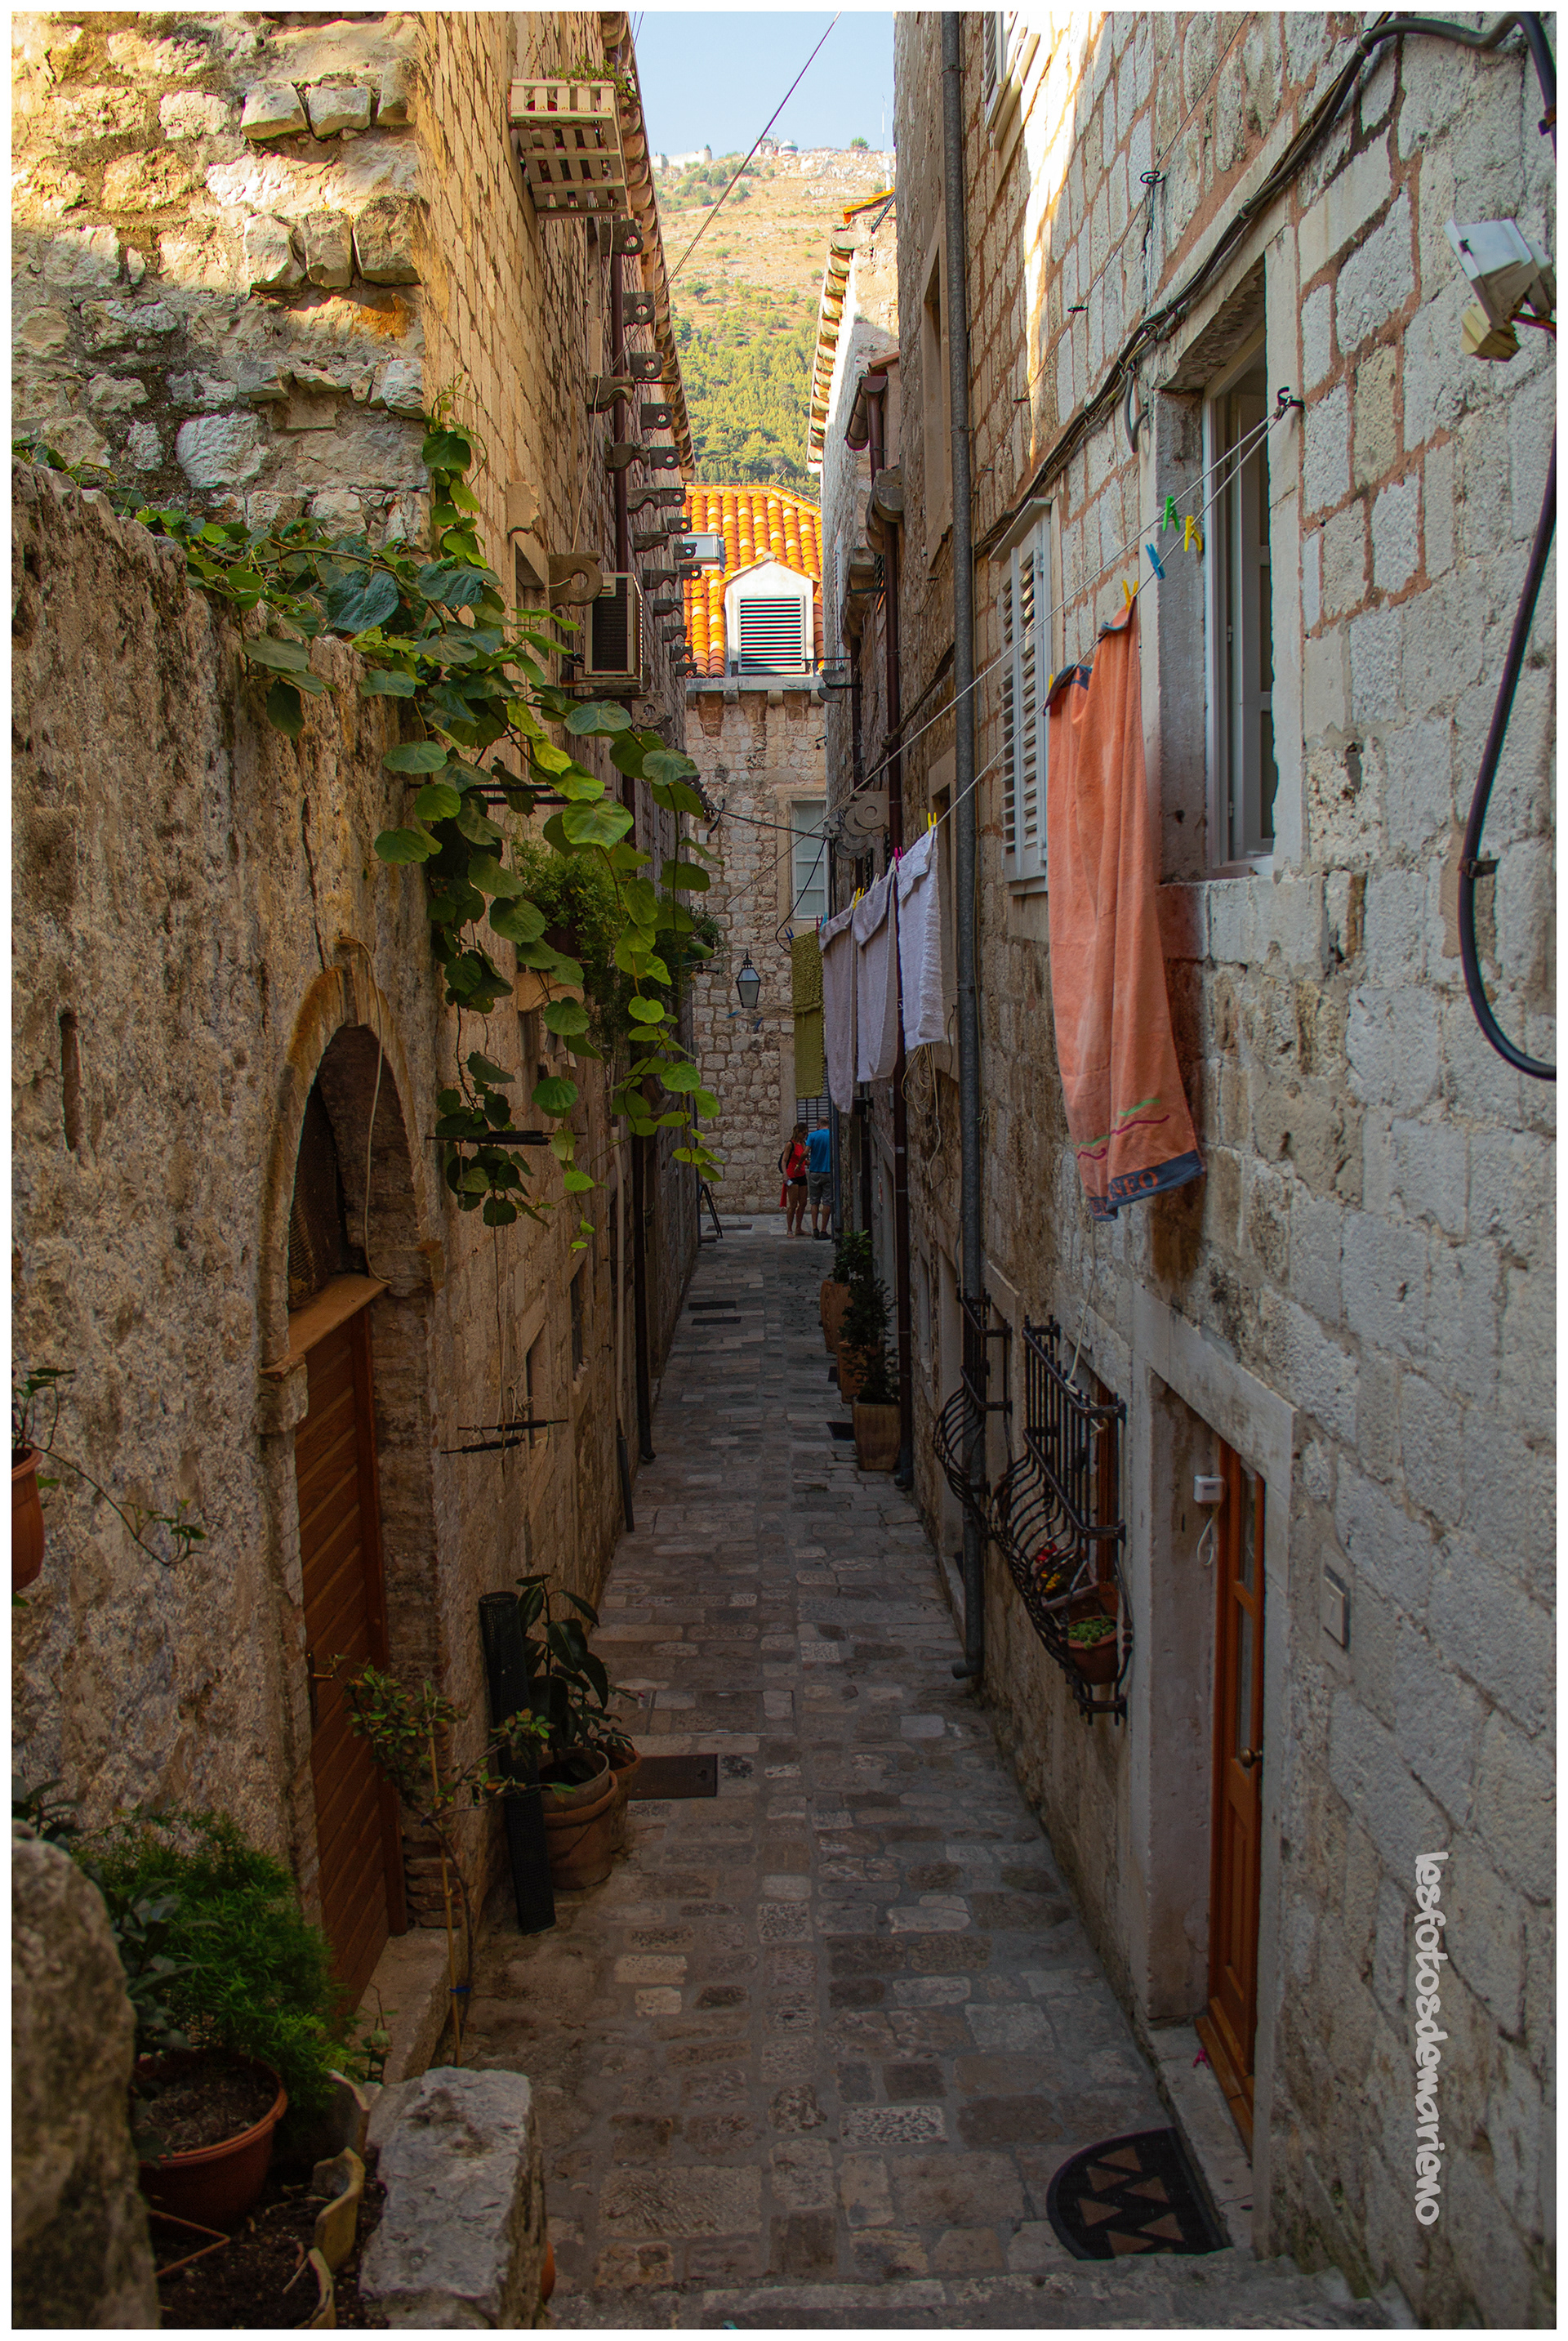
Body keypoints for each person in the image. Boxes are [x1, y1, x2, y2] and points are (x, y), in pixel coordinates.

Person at [779, 1123, 808, 1235]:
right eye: (803, 1133)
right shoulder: (790, 1144)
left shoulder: (803, 1144)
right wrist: (785, 1174)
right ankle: (790, 1229)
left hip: (801, 1175)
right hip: (792, 1175)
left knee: (803, 1203)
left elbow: (803, 1160)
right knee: (793, 1204)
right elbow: (784, 1160)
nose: (805, 1135)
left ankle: (798, 1228)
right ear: (798, 1132)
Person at [805, 1120, 832, 1237]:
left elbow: (806, 1152)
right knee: (827, 1202)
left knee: (814, 1201)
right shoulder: (832, 1135)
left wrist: (801, 1162)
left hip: (814, 1171)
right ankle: (823, 1230)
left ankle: (815, 1228)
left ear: (818, 1125)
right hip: (828, 1171)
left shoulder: (812, 1136)